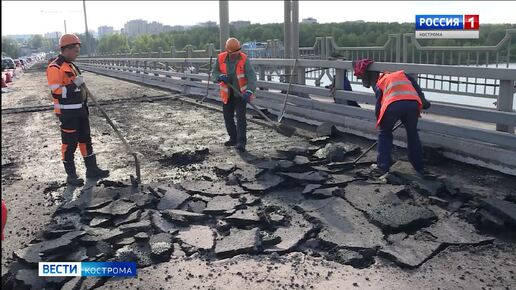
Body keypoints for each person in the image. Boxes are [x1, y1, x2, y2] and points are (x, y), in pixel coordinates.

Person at [46, 34, 109, 186]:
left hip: (81, 111)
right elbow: (56, 92)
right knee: (70, 144)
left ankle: (92, 169)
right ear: (66, 49)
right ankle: (71, 176)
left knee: (85, 141)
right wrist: (74, 85)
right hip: (67, 114)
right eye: (75, 50)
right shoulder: (55, 67)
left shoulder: (71, 65)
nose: (77, 53)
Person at [353, 58, 431, 176]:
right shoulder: (403, 75)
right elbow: (418, 91)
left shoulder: (382, 80)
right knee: (412, 134)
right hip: (412, 104)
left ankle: (383, 167)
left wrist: (379, 119)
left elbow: (380, 103)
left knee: (385, 133)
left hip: (393, 105)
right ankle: (419, 166)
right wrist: (424, 103)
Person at [212, 37, 257, 152]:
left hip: (240, 95)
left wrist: (249, 91)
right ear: (228, 51)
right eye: (233, 53)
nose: (236, 55)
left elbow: (252, 77)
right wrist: (219, 77)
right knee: (228, 117)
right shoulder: (221, 58)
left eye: (237, 52)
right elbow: (214, 72)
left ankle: (241, 142)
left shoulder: (244, 59)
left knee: (241, 118)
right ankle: (233, 138)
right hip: (227, 94)